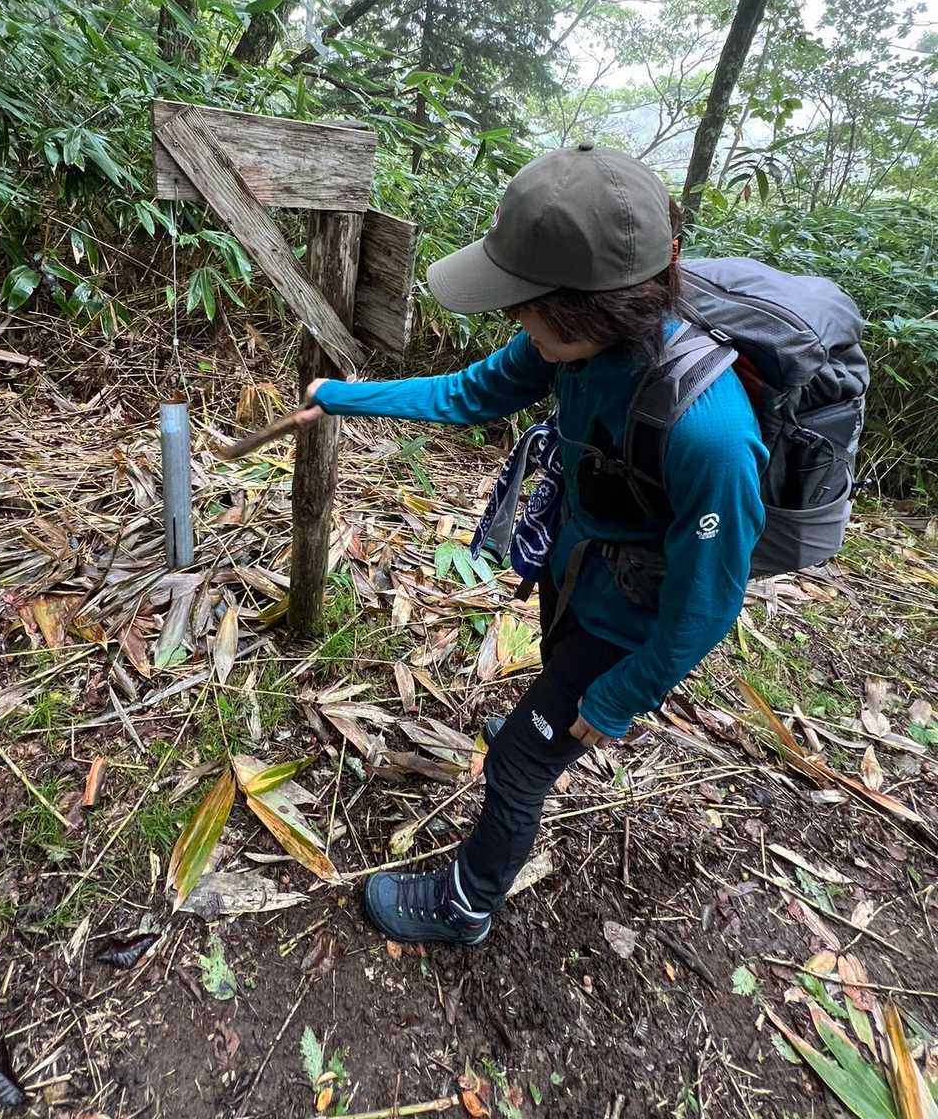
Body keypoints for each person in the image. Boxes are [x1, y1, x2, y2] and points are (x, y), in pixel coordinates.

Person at [294, 143, 767, 946]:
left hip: (631, 627)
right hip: (579, 573)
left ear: (593, 309)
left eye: (527, 307)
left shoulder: (710, 435)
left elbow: (711, 601)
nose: (516, 321)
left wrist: (620, 696)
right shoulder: (570, 346)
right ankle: (551, 717)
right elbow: (469, 393)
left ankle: (465, 906)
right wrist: (341, 398)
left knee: (520, 761)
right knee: (553, 688)